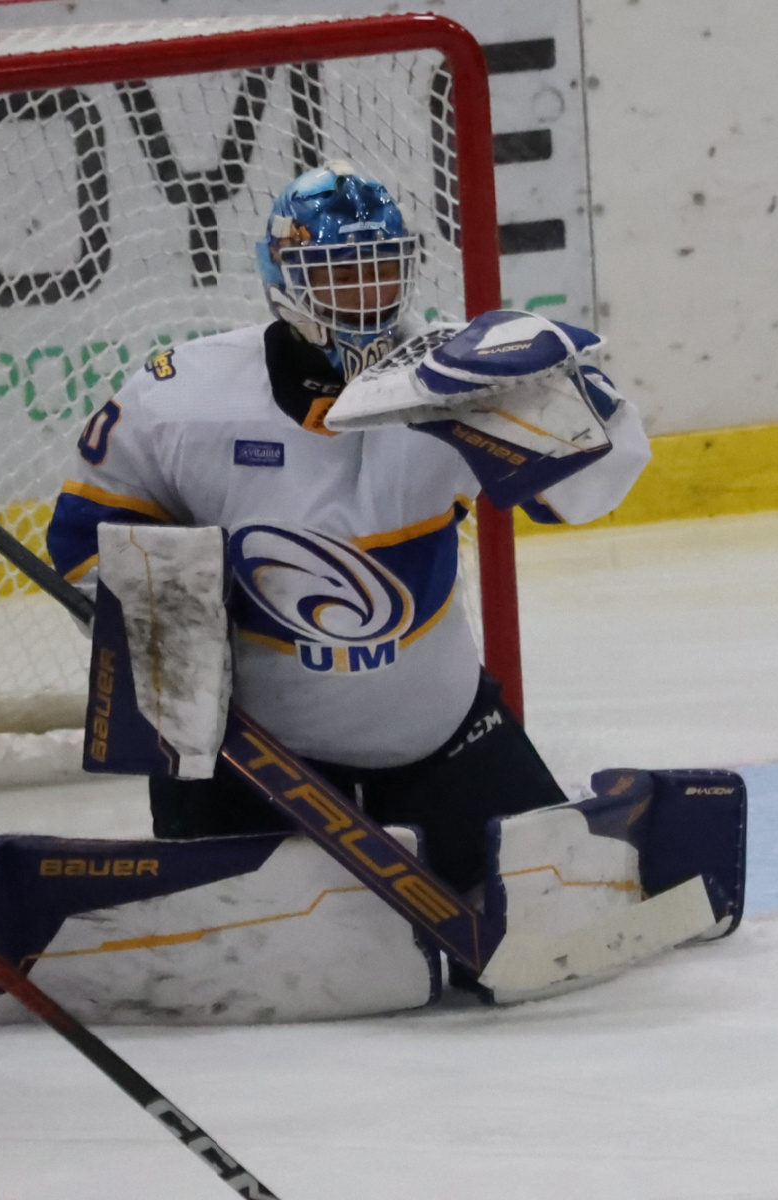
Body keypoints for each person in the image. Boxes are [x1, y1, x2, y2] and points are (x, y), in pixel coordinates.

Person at [46, 162, 652, 948]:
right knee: (230, 944)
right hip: (254, 759)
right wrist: (179, 641)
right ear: (282, 278)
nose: (365, 294)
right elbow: (82, 540)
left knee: (565, 913)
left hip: (442, 737)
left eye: (380, 268)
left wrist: (587, 408)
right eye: (337, 271)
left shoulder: (455, 381)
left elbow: (588, 495)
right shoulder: (183, 399)